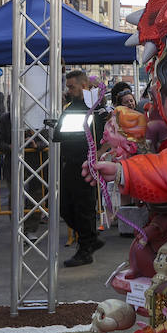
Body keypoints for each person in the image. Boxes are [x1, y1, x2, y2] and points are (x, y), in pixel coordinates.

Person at [60, 70, 104, 267]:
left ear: (84, 86)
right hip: (70, 162)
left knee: (83, 208)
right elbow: (62, 133)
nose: (68, 91)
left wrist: (97, 157)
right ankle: (90, 239)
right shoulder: (71, 108)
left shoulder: (96, 109)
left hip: (85, 165)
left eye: (72, 87)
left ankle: (86, 247)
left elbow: (104, 137)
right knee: (65, 208)